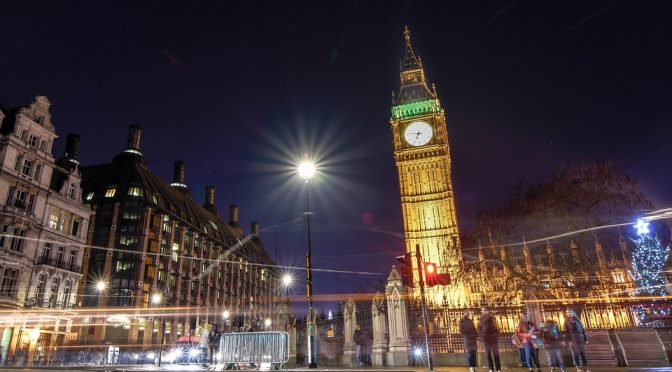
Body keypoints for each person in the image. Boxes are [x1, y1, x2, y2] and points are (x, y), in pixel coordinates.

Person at [478, 307, 501, 372]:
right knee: (488, 354)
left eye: (485, 310)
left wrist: (496, 334)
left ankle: (498, 369)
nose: (484, 311)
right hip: (485, 339)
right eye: (482, 310)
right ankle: (491, 368)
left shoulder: (492, 318)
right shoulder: (481, 319)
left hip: (493, 338)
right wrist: (482, 334)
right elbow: (478, 328)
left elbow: (498, 327)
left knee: (496, 354)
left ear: (488, 311)